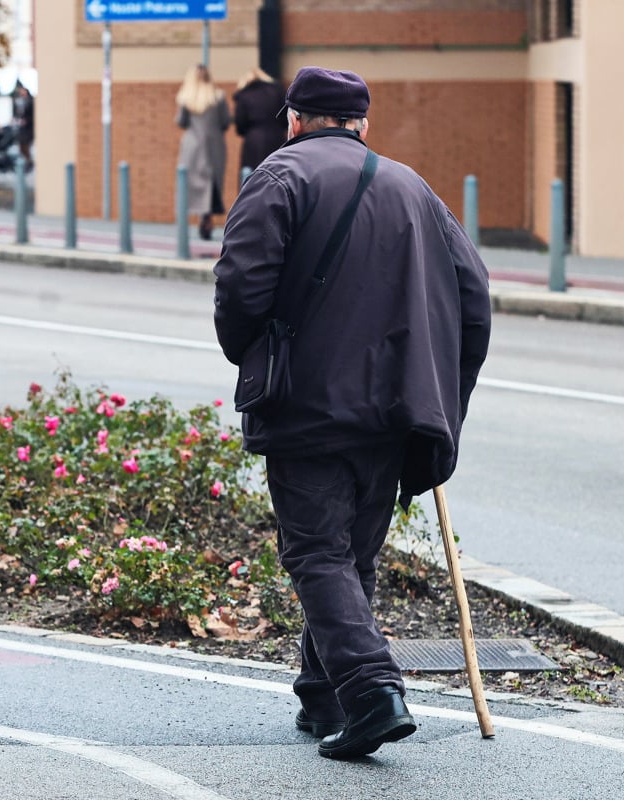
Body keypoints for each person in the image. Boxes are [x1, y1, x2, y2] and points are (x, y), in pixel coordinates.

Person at [212, 66, 491, 759]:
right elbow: (474, 296)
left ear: (295, 119)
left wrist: (251, 351)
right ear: (363, 124)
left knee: (315, 550)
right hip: (398, 405)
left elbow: (241, 290)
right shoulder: (412, 187)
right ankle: (324, 695)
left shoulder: (278, 178)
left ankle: (370, 690)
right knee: (351, 555)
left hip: (309, 401)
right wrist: (441, 391)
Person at [176, 64, 230, 240]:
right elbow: (225, 122)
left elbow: (181, 121)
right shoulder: (218, 96)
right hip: (214, 144)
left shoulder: (186, 97)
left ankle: (201, 215)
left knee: (194, 181)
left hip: (193, 145)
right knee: (213, 181)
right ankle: (207, 216)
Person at [232, 67, 287, 175]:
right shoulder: (278, 91)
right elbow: (286, 119)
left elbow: (240, 125)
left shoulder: (244, 94)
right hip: (277, 138)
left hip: (253, 140)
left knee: (251, 175)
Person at [12, 82, 35, 167]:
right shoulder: (19, 101)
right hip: (21, 128)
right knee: (21, 146)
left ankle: (28, 162)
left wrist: (26, 121)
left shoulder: (30, 101)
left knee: (26, 146)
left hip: (28, 128)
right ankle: (24, 162)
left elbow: (32, 115)